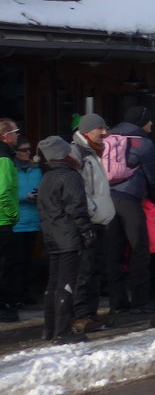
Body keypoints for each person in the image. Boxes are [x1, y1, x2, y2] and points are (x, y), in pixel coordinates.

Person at [105, 105, 155, 314]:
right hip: (130, 199)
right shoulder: (144, 144)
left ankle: (117, 303)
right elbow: (152, 177)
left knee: (114, 252)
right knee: (139, 249)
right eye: (149, 120)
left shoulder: (109, 139)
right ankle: (141, 300)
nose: (152, 124)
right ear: (141, 121)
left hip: (108, 200)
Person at [35, 135, 91, 344]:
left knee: (53, 284)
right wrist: (87, 231)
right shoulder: (69, 176)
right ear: (63, 154)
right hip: (68, 236)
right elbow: (77, 208)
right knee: (66, 284)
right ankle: (62, 332)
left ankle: (49, 329)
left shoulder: (46, 177)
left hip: (52, 236)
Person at [69, 114, 115, 332]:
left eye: (105, 128)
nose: (105, 133)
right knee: (85, 271)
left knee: (96, 270)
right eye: (100, 129)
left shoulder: (93, 152)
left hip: (98, 221)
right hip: (88, 222)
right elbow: (81, 190)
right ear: (87, 131)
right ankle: (81, 315)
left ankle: (92, 313)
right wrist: (92, 211)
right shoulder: (80, 153)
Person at [13, 136, 43, 307]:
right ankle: (15, 294)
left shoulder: (36, 169)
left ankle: (26, 293)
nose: (28, 153)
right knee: (16, 261)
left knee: (28, 261)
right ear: (16, 153)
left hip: (33, 220)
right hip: (17, 221)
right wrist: (25, 196)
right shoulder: (10, 169)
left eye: (29, 150)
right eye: (23, 150)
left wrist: (39, 194)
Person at [0, 119, 21, 321]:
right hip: (3, 220)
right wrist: (13, 214)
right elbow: (4, 191)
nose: (17, 136)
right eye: (15, 132)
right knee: (6, 266)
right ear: (5, 136)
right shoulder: (4, 159)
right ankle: (5, 308)